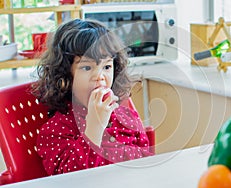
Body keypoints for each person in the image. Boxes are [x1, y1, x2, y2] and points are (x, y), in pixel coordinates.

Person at [32, 19, 154, 175]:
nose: (99, 76)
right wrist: (94, 129)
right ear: (65, 77)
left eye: (107, 66)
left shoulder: (127, 117)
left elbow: (147, 162)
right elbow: (67, 180)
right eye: (87, 67)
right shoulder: (56, 130)